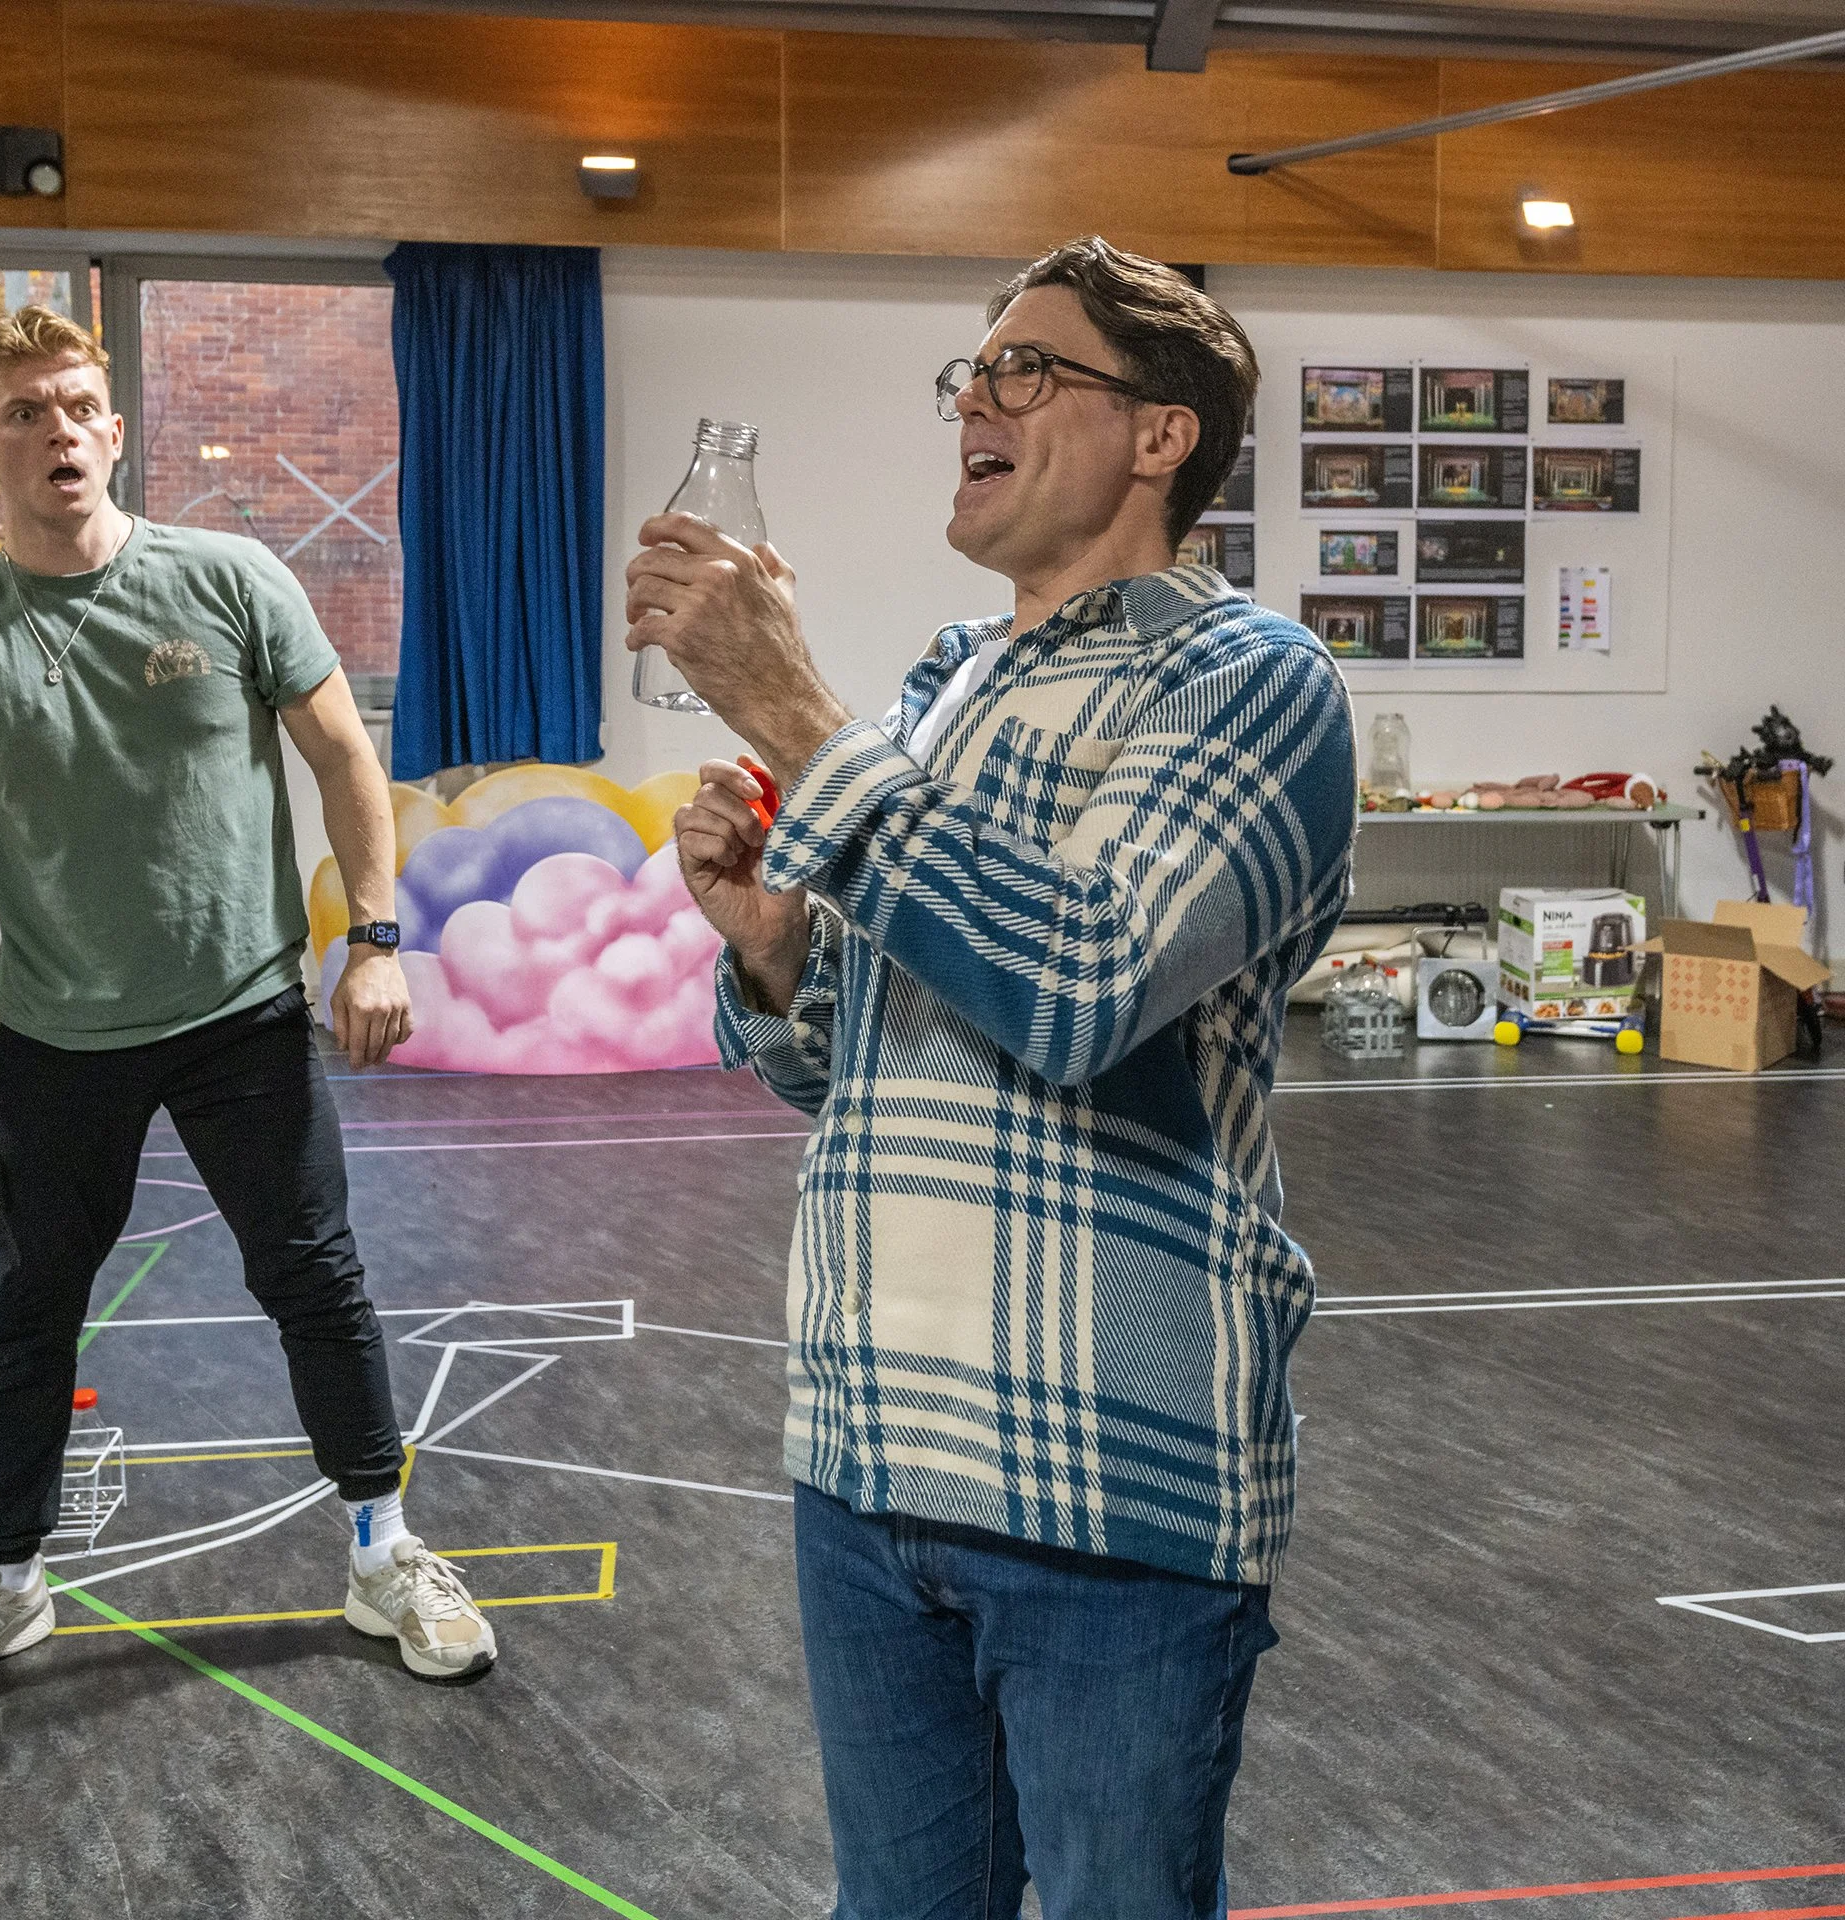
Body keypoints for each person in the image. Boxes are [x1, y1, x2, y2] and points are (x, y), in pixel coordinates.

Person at [631, 238, 1356, 1916]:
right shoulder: (943, 689)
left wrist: (802, 719)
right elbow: (852, 1074)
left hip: (1109, 1482)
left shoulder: (1249, 682)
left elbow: (1081, 983)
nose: (980, 397)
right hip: (868, 1454)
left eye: (1030, 369)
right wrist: (771, 957)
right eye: (974, 373)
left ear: (1162, 436)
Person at [0, 306, 494, 1724]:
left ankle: (383, 1553)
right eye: (23, 414)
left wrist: (375, 941)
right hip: (55, 1043)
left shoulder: (232, 582)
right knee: (28, 1315)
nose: (59, 433)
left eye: (79, 405)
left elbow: (346, 759)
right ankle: (4, 1580)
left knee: (316, 1284)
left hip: (244, 1020)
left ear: (118, 427)